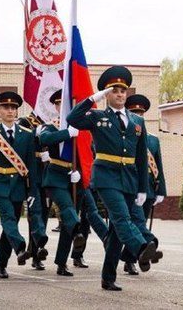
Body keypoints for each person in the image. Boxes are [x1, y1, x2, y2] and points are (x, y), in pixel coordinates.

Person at [67, 66, 157, 291]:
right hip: (106, 177)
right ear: (108, 94)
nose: (119, 94)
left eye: (122, 91)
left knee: (117, 233)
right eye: (114, 90)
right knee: (122, 218)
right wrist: (94, 98)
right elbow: (73, 118)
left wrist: (142, 188)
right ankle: (141, 248)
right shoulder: (98, 117)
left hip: (129, 178)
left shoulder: (137, 121)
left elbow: (140, 157)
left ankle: (107, 277)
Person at [0, 91, 48, 279]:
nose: (10, 111)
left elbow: (31, 165)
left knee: (12, 224)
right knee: (8, 218)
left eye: (13, 108)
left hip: (18, 184)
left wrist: (33, 190)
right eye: (6, 107)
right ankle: (21, 247)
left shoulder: (27, 134)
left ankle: (1, 263)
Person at [38, 89, 88, 276]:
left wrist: (81, 174)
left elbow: (89, 150)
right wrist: (67, 133)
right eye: (59, 104)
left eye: (66, 104)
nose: (63, 108)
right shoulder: (51, 126)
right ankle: (77, 232)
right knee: (68, 209)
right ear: (55, 106)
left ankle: (61, 262)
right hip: (56, 177)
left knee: (70, 219)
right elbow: (45, 139)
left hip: (75, 177)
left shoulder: (82, 127)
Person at [121, 93, 166, 275]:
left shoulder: (153, 139)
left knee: (141, 221)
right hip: (129, 182)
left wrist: (161, 188)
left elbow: (158, 163)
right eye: (134, 112)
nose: (138, 115)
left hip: (148, 186)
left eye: (140, 112)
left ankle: (134, 257)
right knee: (133, 222)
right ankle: (140, 252)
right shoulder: (124, 133)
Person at [18, 110, 48, 271]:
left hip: (48, 174)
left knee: (44, 213)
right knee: (34, 214)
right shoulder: (25, 122)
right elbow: (19, 145)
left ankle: (34, 249)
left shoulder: (52, 123)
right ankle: (34, 253)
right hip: (32, 174)